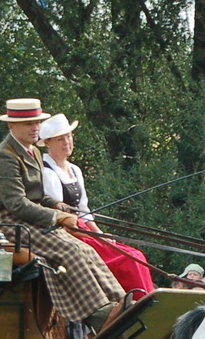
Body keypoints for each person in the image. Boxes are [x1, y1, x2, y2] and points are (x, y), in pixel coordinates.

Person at [0, 98, 128, 333]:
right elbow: (17, 203)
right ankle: (98, 315)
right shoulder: (4, 156)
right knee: (68, 250)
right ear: (12, 126)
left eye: (37, 122)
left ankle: (120, 302)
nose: (35, 128)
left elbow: (38, 197)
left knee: (85, 248)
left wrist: (59, 206)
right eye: (28, 123)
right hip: (8, 221)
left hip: (31, 216)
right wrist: (57, 218)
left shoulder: (33, 152)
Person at [38, 113, 155, 297]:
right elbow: (57, 213)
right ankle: (135, 303)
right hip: (67, 232)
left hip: (83, 228)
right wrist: (88, 233)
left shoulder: (74, 169)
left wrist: (100, 234)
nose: (66, 142)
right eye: (60, 139)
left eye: (68, 137)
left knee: (137, 255)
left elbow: (84, 210)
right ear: (47, 143)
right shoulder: (47, 172)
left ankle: (148, 301)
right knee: (128, 260)